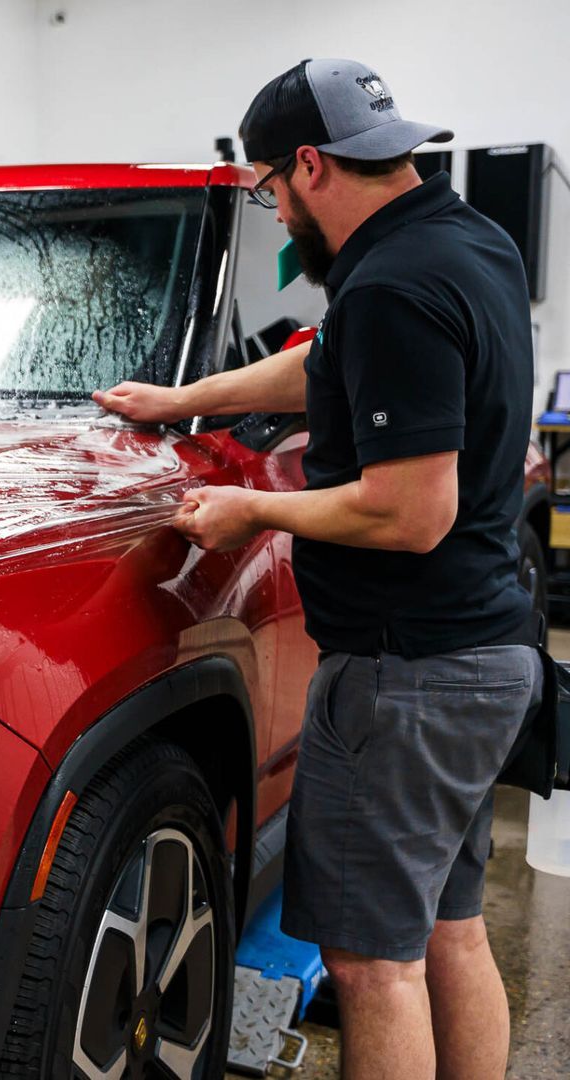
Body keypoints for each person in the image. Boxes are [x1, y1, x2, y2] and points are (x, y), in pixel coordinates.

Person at [95, 59, 539, 1080]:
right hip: (482, 658)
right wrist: (184, 398)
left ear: (308, 164)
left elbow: (407, 512)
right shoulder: (464, 238)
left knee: (372, 967)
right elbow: (329, 359)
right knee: (448, 931)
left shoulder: (394, 283)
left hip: (405, 680)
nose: (275, 207)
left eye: (270, 186)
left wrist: (251, 509)